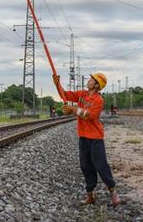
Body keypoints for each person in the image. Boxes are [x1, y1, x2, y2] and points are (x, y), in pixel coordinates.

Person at [53, 71, 121, 206]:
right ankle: (90, 195)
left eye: (92, 79)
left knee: (101, 166)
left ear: (96, 85)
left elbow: (88, 115)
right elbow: (65, 95)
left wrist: (72, 109)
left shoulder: (98, 100)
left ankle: (113, 192)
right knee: (85, 166)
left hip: (95, 138)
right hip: (83, 136)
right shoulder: (82, 94)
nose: (89, 80)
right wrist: (57, 84)